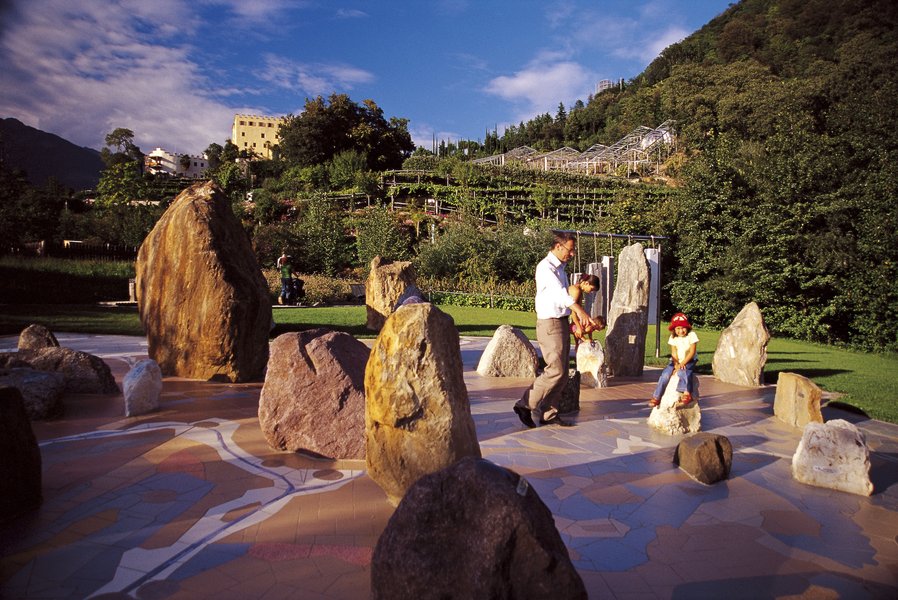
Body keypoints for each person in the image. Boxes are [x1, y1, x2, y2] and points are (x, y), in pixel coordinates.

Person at [513, 232, 603, 428]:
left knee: (562, 373)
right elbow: (560, 295)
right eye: (570, 250)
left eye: (573, 251)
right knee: (555, 370)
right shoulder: (546, 268)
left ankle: (548, 413)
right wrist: (580, 312)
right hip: (550, 324)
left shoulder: (561, 269)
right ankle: (525, 405)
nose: (572, 254)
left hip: (560, 322)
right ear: (558, 246)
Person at [649, 312, 699, 408]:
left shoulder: (692, 335)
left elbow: (692, 352)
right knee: (665, 375)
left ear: (687, 327)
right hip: (676, 360)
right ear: (674, 329)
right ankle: (657, 397)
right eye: (678, 328)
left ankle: (687, 392)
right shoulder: (673, 337)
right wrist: (676, 363)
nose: (681, 331)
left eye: (683, 328)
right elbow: (674, 352)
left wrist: (682, 364)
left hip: (689, 360)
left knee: (683, 372)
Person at [568, 274, 601, 351]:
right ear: (586, 283)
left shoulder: (579, 291)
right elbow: (574, 311)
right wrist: (578, 327)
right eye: (591, 289)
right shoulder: (576, 290)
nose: (591, 292)